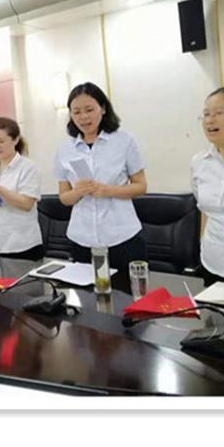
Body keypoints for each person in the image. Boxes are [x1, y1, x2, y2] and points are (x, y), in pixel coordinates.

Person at [54, 82, 146, 291]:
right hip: (81, 239)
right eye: (77, 112)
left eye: (89, 110)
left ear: (103, 108)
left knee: (127, 299)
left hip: (122, 237)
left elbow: (141, 186)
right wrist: (78, 192)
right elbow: (64, 197)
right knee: (86, 302)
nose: (83, 117)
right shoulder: (64, 149)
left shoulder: (124, 141)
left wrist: (108, 190)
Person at [191, 86, 224, 284]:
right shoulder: (199, 163)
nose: (209, 120)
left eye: (218, 113)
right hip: (213, 263)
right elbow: (204, 210)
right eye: (206, 115)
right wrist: (202, 243)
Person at [0, 117, 44, 261]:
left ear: (15, 140)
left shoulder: (28, 167)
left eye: (1, 141)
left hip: (21, 244)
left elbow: (27, 204)